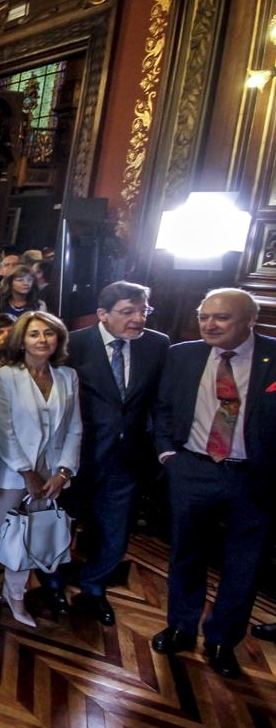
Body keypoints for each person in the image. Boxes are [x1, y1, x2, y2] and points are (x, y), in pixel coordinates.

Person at [150, 288, 275, 679]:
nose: (210, 324)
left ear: (249, 320)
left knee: (244, 563)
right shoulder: (182, 354)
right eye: (204, 316)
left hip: (252, 477)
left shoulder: (273, 357)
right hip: (193, 469)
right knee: (186, 554)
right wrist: (168, 454)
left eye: (221, 317)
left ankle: (222, 640)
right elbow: (164, 407)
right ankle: (181, 626)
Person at [46, 282, 168, 623]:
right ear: (102, 314)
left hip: (127, 458)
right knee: (61, 525)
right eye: (128, 312)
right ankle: (53, 583)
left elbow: (159, 402)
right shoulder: (73, 343)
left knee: (115, 530)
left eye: (143, 311)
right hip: (76, 456)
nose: (138, 319)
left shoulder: (157, 345)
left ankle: (95, 588)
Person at [0, 311, 82, 629]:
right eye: (34, 334)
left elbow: (75, 427)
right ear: (22, 340)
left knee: (30, 533)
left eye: (49, 334)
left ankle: (15, 596)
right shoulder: (4, 376)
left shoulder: (67, 376)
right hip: (12, 471)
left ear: (58, 339)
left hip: (51, 471)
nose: (42, 340)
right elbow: (5, 430)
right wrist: (26, 472)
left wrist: (64, 471)